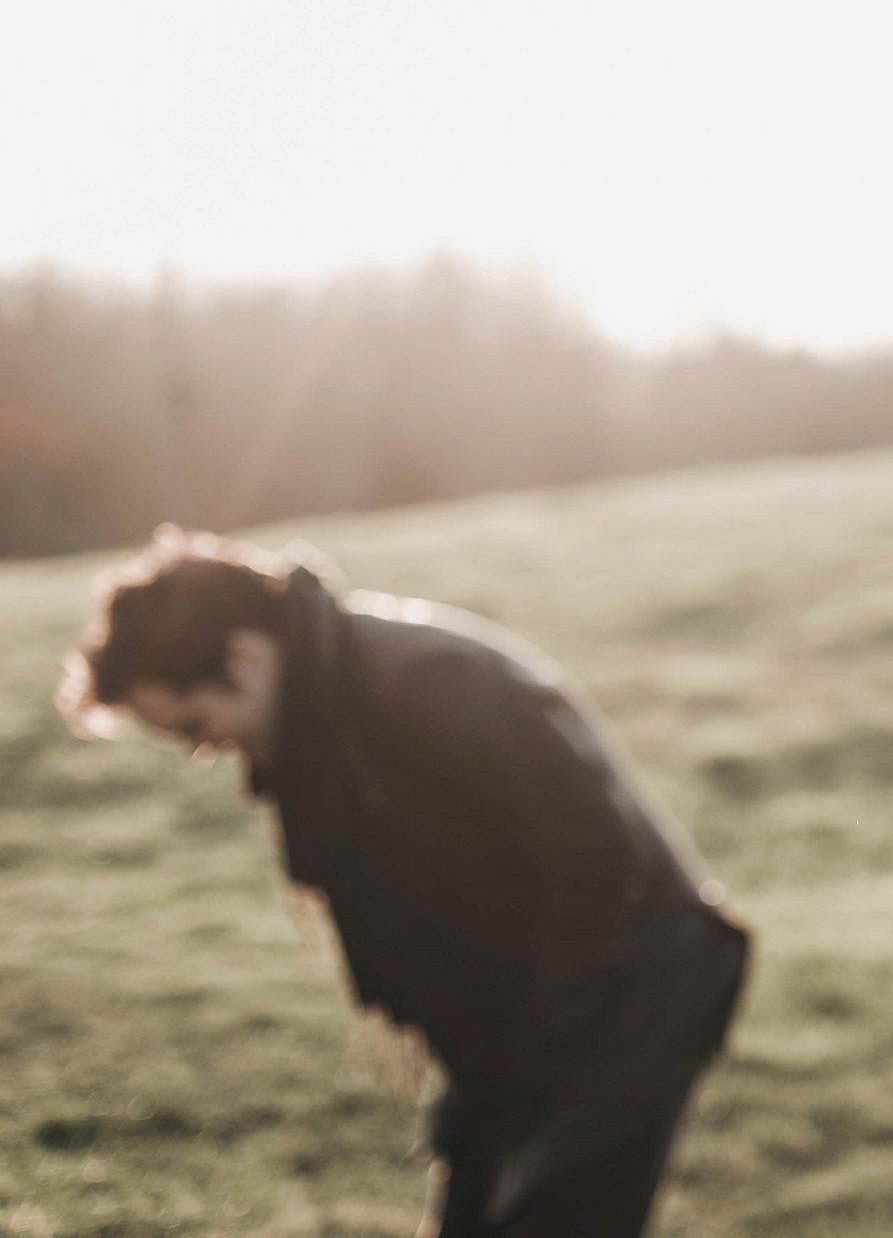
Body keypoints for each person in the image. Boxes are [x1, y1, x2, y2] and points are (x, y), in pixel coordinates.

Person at [60, 529, 749, 1238]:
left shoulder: (425, 683)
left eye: (198, 730)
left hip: (629, 1001)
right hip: (514, 1033)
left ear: (245, 655)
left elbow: (596, 863)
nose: (208, 754)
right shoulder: (315, 723)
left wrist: (540, 1030)